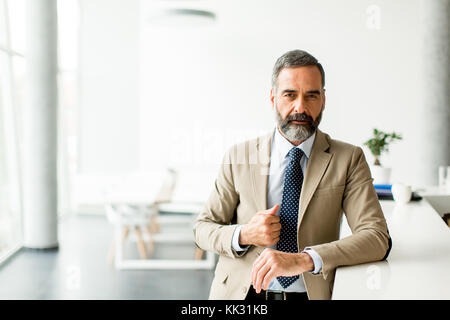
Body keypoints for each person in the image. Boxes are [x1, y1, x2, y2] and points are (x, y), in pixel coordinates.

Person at [193, 49, 392, 300]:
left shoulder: (349, 159)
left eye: (311, 95)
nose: (301, 107)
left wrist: (304, 260)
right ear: (273, 98)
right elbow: (202, 229)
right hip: (240, 294)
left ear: (323, 100)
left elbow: (376, 237)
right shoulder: (238, 156)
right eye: (290, 95)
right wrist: (243, 234)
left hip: (311, 293)